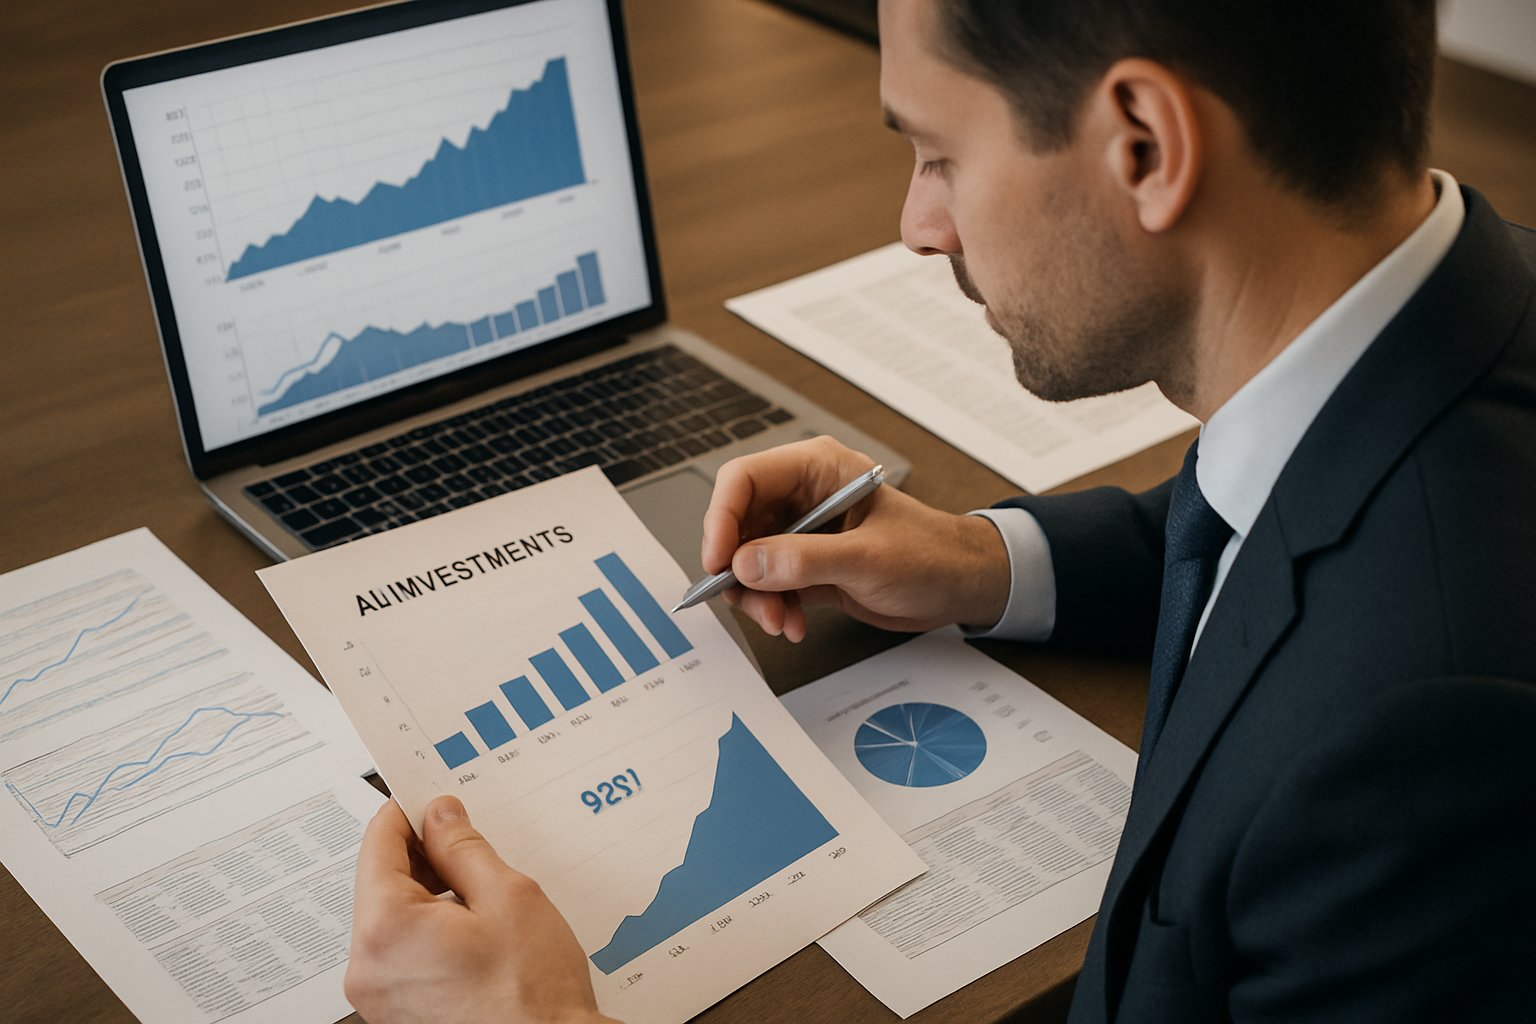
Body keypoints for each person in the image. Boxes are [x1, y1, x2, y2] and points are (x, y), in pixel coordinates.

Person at [344, 0, 1536, 1020]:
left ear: (1143, 145)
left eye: (937, 153)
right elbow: (1271, 529)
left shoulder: (1421, 743)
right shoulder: (1458, 325)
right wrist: (977, 559)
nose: (918, 225)